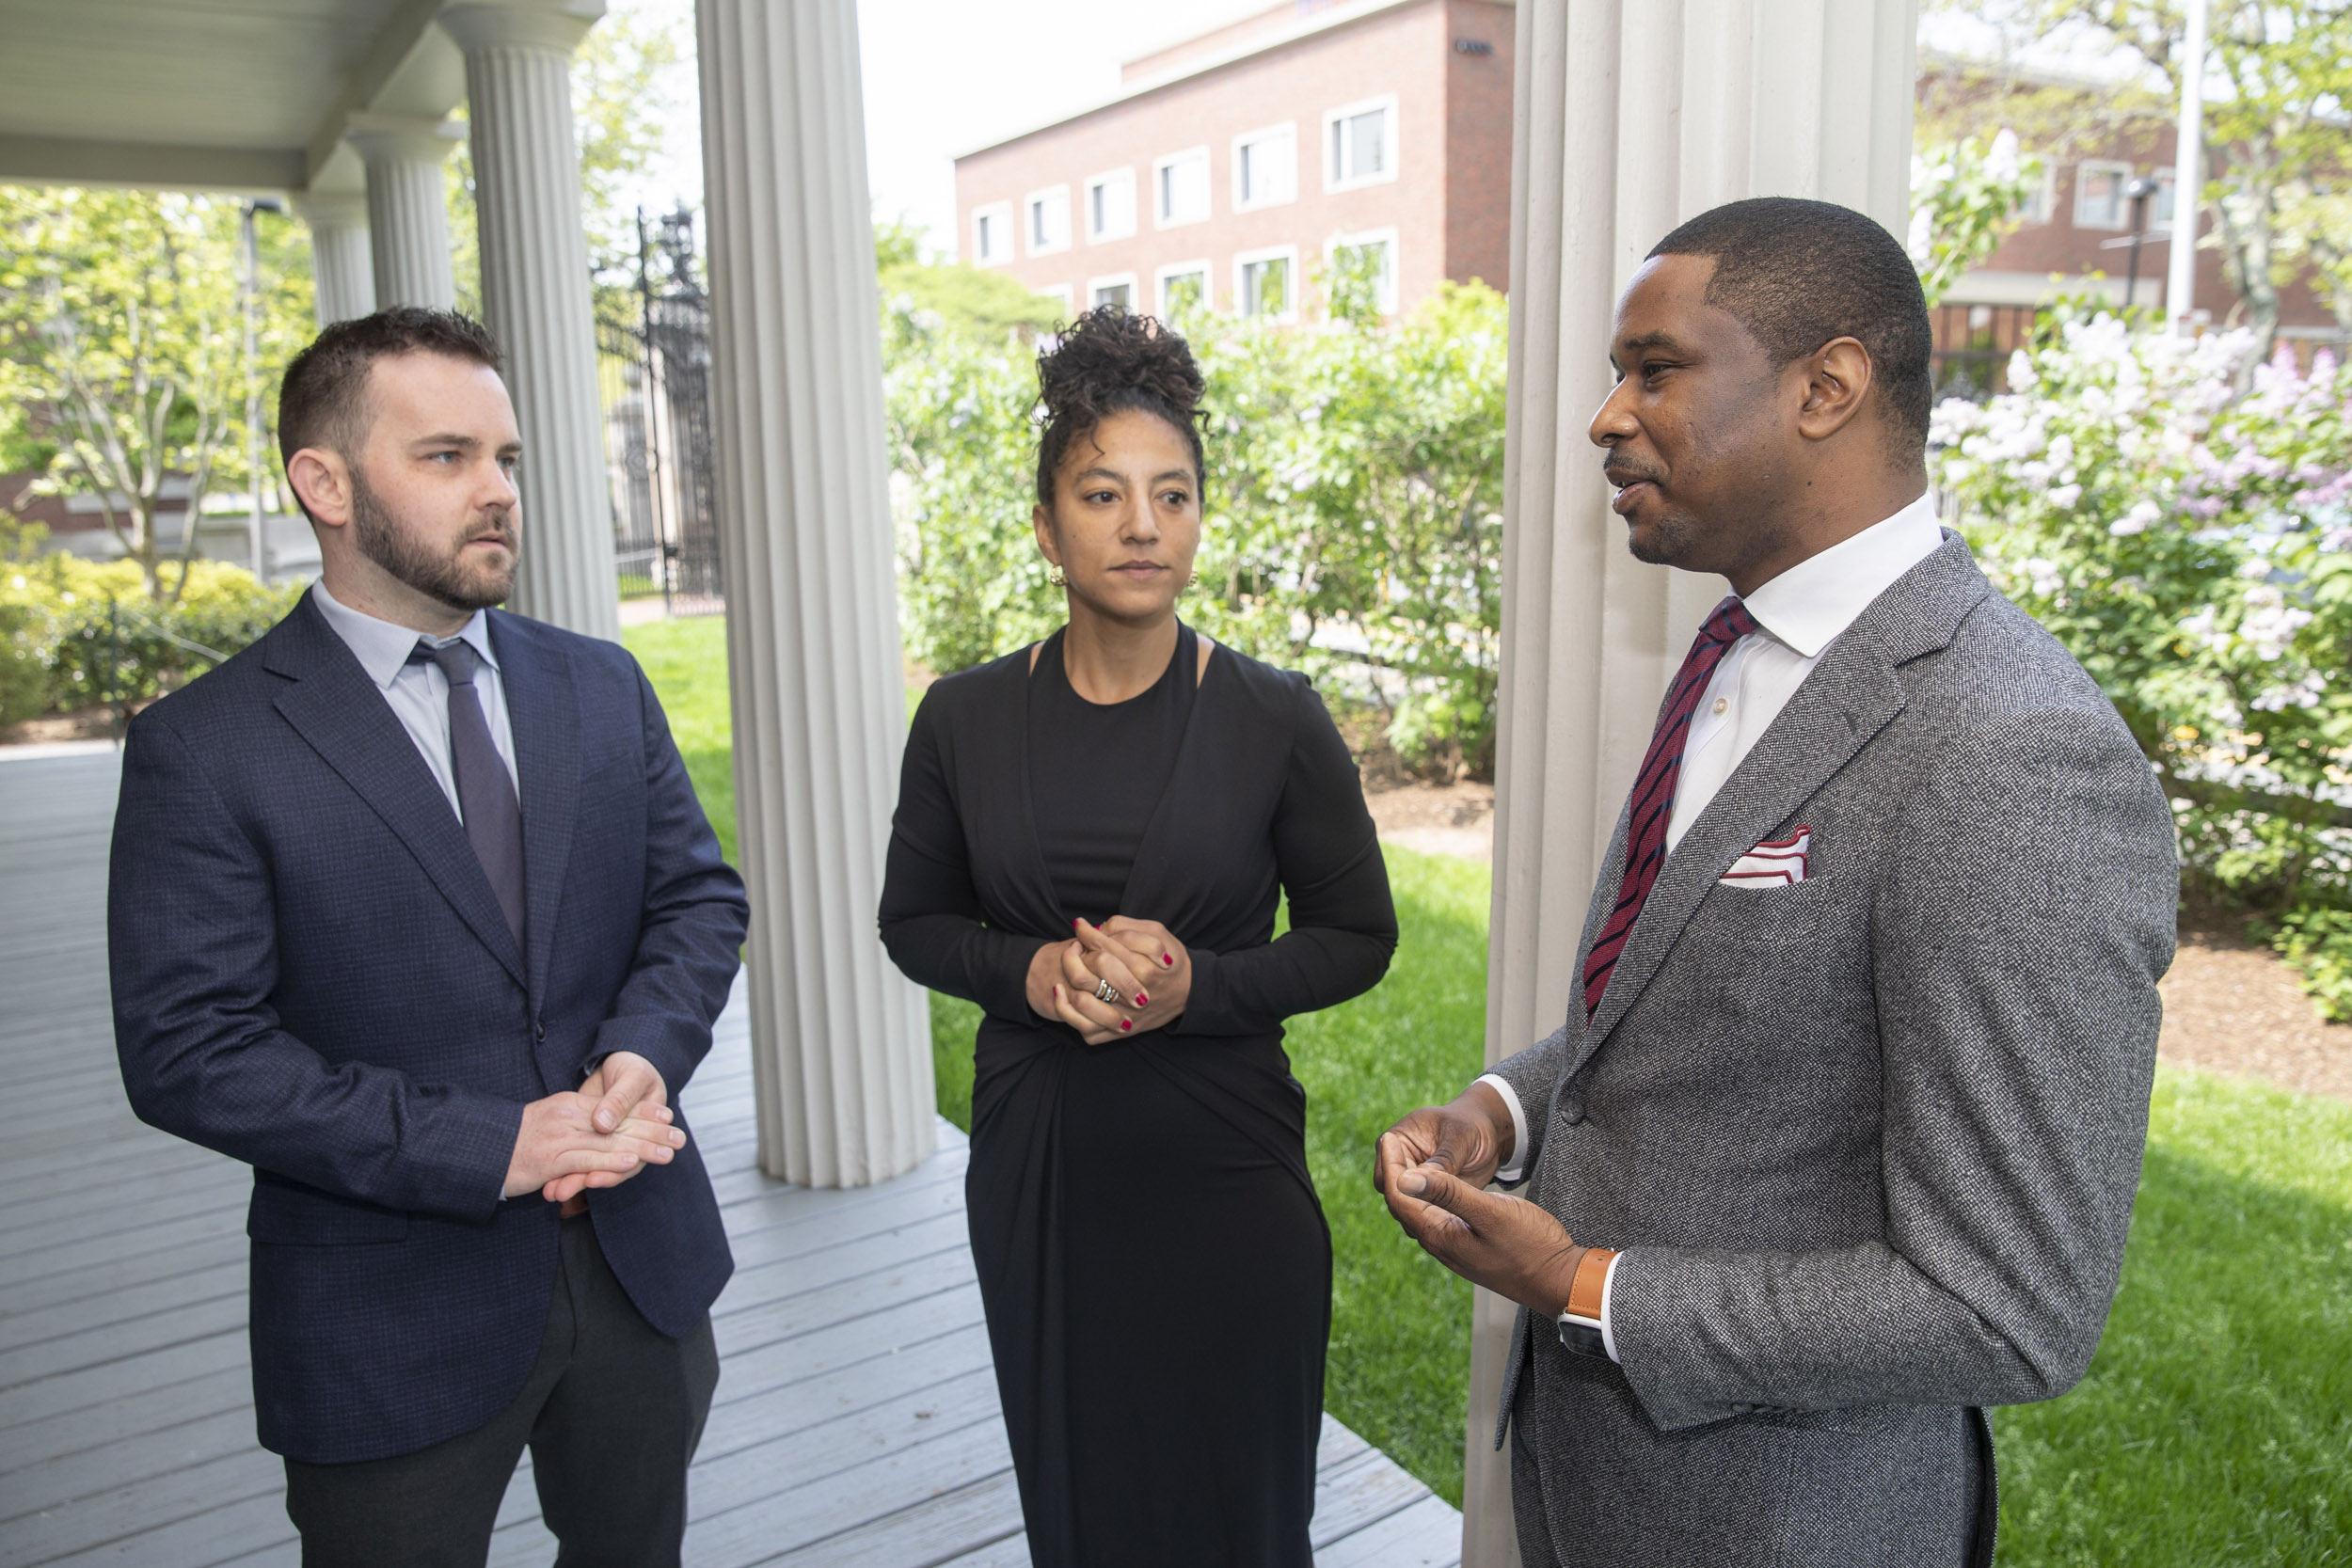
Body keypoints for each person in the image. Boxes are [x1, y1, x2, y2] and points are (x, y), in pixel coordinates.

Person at [1375, 198, 2177, 1567]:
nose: (1606, 416)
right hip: (1591, 1494)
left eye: (1658, 367)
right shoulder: (1735, 657)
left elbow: (2008, 1306)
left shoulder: (2006, 748)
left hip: (1781, 1527)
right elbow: (1704, 1012)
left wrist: (1579, 1285)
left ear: (1828, 387)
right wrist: (1503, 1108)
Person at [109, 308, 749, 1567]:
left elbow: (697, 901)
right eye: (447, 457)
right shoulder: (206, 747)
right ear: (324, 483)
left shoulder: (598, 683)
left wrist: (643, 1053)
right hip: (380, 1319)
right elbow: (189, 1050)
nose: (498, 492)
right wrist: (489, 1144)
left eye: (506, 458)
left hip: (640, 1272)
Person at [877, 307, 1398, 1566]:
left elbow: (1358, 935)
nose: (1142, 522)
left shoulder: (1275, 717)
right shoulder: (963, 720)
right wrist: (1031, 970)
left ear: (1201, 519)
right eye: (1103, 494)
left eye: (1172, 494)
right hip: (1043, 1175)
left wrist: (1200, 988)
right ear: (1049, 526)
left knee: (1247, 1511)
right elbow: (915, 922)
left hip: (1226, 1178)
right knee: (1085, 1510)